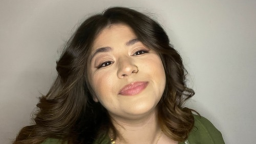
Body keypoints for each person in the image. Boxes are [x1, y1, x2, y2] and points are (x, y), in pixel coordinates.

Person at [13, 7, 225, 144]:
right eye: (105, 62)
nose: (126, 68)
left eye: (139, 52)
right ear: (91, 90)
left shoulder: (204, 133)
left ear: (164, 64)